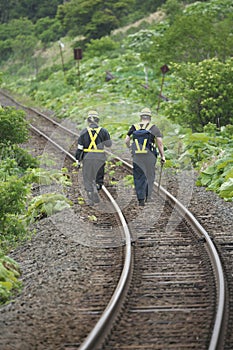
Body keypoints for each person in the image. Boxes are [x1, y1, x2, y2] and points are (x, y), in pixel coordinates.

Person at [125, 107, 165, 206]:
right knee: (150, 175)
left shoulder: (134, 127)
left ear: (141, 117)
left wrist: (130, 147)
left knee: (139, 176)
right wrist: (162, 156)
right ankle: (149, 196)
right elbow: (159, 143)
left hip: (137, 156)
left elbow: (126, 140)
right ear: (150, 117)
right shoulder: (154, 128)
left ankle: (141, 199)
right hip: (150, 155)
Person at [75, 110, 112, 205]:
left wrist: (78, 160)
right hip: (100, 157)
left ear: (88, 121)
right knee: (98, 176)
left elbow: (80, 148)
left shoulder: (83, 132)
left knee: (87, 177)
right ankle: (97, 186)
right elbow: (109, 144)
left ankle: (90, 193)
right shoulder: (103, 131)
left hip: (87, 158)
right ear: (98, 120)